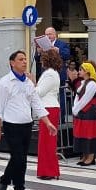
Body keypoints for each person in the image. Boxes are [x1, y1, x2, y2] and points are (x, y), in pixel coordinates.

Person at [0, 50, 57, 190]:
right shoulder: (4, 83)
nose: (24, 62)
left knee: (22, 159)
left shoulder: (28, 83)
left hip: (26, 124)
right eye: (21, 59)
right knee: (18, 158)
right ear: (12, 63)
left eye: (25, 59)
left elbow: (37, 104)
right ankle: (4, 181)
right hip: (11, 125)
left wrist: (47, 123)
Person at [35, 48, 63, 180]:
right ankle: (48, 170)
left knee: (47, 141)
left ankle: (49, 171)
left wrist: (30, 82)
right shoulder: (52, 73)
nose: (41, 60)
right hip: (49, 107)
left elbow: (39, 92)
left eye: (42, 58)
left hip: (49, 108)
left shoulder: (50, 74)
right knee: (46, 141)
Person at [72, 61, 96, 166]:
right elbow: (78, 96)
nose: (79, 71)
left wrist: (76, 108)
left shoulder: (92, 83)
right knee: (83, 133)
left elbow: (85, 99)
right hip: (82, 111)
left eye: (81, 70)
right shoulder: (83, 83)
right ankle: (85, 155)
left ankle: (90, 157)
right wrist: (76, 108)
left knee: (90, 133)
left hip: (90, 112)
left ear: (87, 71)